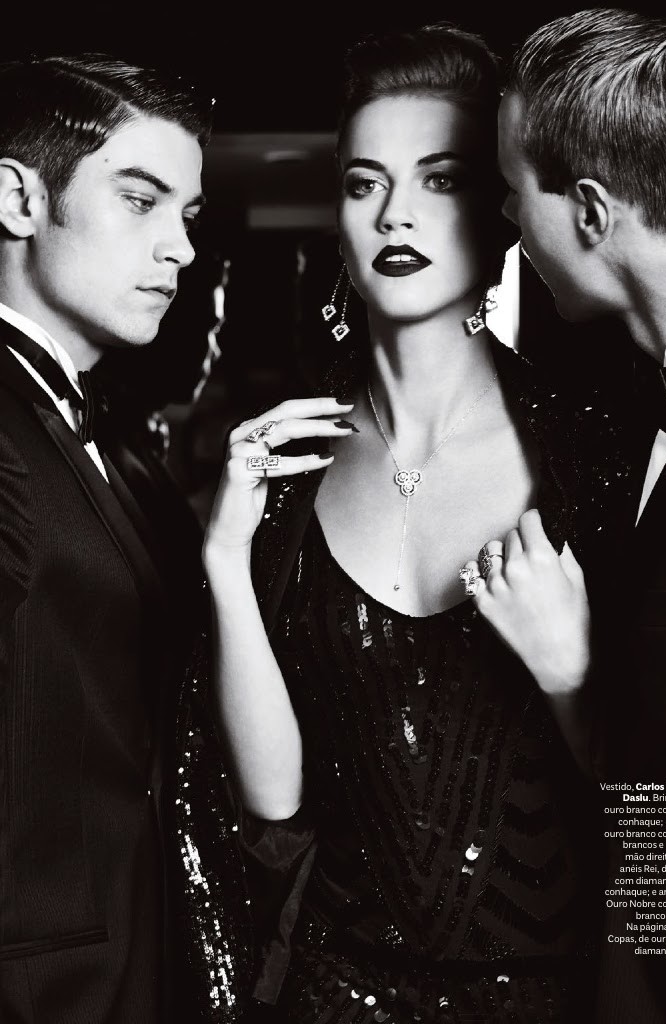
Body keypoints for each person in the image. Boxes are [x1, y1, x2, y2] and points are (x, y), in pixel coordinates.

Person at [203, 25, 629, 1024]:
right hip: (329, 996)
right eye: (365, 183)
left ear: (501, 211)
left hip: (548, 1001)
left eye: (440, 179)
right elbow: (274, 804)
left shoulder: (595, 457)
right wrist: (224, 557)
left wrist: (576, 685)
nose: (395, 212)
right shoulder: (287, 469)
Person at [496, 8, 666, 1022]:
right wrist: (579, 685)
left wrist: (578, 686)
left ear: (591, 213)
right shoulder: (641, 402)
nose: (505, 220)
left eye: (513, 191)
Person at [0, 55, 213, 1022]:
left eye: (189, 215)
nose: (182, 249)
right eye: (140, 201)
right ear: (20, 200)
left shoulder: (114, 440)